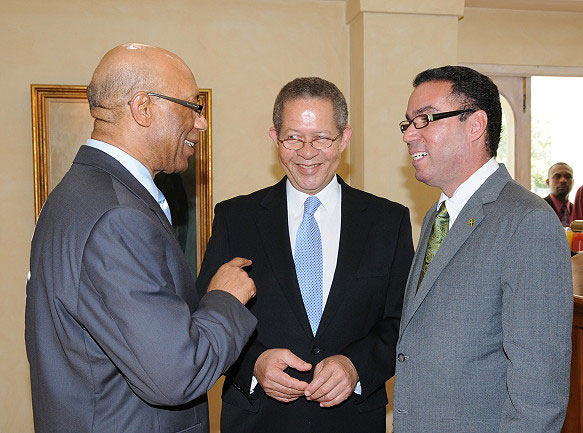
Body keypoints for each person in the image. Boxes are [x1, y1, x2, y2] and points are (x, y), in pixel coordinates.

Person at [25, 43, 257, 433]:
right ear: (143, 107)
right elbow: (177, 375)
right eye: (191, 106)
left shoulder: (77, 194)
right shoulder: (117, 217)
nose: (200, 123)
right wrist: (225, 299)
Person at [195, 77, 414, 433]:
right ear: (274, 138)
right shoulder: (235, 218)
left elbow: (403, 320)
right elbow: (209, 311)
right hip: (258, 419)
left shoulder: (387, 221)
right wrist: (253, 364)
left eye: (322, 138)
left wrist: (357, 366)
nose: (307, 152)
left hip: (352, 419)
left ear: (344, 138)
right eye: (293, 137)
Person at [393, 66, 573, 433]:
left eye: (424, 119)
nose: (410, 134)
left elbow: (539, 385)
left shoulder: (527, 221)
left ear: (475, 125)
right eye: (408, 123)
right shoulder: (437, 215)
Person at [543, 162, 574, 226]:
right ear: (548, 182)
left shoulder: (577, 210)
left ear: (573, 182)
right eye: (557, 176)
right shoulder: (539, 207)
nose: (563, 180)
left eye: (568, 177)